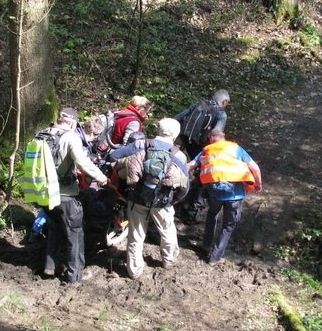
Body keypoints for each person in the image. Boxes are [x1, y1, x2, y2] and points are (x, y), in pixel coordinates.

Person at [110, 118, 189, 279]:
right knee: (167, 231)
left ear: (158, 130)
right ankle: (168, 260)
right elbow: (185, 185)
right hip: (163, 201)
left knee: (136, 234)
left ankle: (134, 270)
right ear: (175, 136)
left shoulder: (140, 144)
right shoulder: (179, 155)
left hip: (137, 197)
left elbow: (114, 156)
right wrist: (174, 200)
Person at [43, 107, 109, 284]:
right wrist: (101, 177)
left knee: (55, 229)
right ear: (73, 122)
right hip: (65, 194)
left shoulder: (44, 133)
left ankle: (50, 266)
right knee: (75, 234)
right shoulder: (71, 137)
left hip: (43, 192)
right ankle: (75, 275)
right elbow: (82, 162)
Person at [188, 129, 262, 265]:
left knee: (212, 215)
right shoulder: (236, 149)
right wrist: (258, 184)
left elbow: (190, 166)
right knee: (228, 225)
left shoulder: (207, 150)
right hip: (235, 195)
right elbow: (255, 168)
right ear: (223, 138)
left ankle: (206, 246)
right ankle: (215, 257)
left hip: (214, 194)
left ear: (211, 138)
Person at [174, 89, 230, 223]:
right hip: (202, 145)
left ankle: (178, 196)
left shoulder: (199, 104)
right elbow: (216, 134)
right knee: (203, 176)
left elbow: (177, 118)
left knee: (188, 167)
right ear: (224, 101)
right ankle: (191, 212)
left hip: (188, 141)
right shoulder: (221, 114)